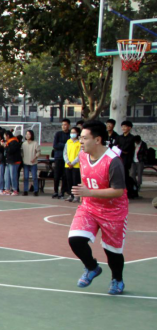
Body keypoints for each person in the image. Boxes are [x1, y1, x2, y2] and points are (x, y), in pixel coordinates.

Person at [68, 120, 128, 296]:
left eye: (84, 138)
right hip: (89, 206)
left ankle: (117, 279)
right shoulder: (83, 155)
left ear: (97, 140)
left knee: (112, 252)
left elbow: (118, 191)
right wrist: (84, 194)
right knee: (75, 239)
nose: (80, 141)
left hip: (113, 211)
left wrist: (89, 192)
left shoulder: (113, 161)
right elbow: (85, 177)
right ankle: (91, 267)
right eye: (80, 137)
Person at [117, 121, 138, 199]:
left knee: (125, 176)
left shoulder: (132, 138)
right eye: (122, 126)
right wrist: (120, 149)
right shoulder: (119, 137)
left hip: (126, 160)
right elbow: (115, 146)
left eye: (125, 126)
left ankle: (128, 192)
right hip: (119, 159)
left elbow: (127, 149)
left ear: (129, 128)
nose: (123, 128)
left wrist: (120, 149)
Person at [52, 119, 72, 200]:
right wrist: (66, 145)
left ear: (69, 125)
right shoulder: (58, 134)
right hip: (58, 157)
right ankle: (55, 191)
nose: (64, 126)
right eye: (63, 124)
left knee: (65, 176)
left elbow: (71, 146)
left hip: (67, 159)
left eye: (65, 124)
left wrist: (63, 145)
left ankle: (62, 191)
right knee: (56, 175)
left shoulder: (71, 134)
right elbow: (55, 145)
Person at [64, 127, 82, 203]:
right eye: (71, 132)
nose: (72, 134)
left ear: (77, 133)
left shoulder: (80, 143)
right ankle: (70, 195)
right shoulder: (68, 142)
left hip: (76, 165)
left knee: (75, 181)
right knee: (69, 180)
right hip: (67, 165)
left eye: (74, 132)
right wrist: (67, 161)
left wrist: (73, 163)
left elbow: (80, 154)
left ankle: (76, 196)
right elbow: (65, 153)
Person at [21, 130, 41, 197]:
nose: (27, 135)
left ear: (32, 135)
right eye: (26, 134)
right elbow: (22, 153)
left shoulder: (35, 143)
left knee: (34, 177)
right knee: (26, 177)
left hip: (33, 163)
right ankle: (25, 190)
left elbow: (38, 152)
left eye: (29, 134)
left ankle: (36, 190)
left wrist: (34, 158)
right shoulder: (24, 144)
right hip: (25, 163)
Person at [4, 131, 22, 196]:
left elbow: (10, 151)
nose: (4, 137)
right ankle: (7, 189)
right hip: (9, 161)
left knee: (13, 176)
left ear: (8, 136)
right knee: (7, 176)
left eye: (5, 136)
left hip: (14, 161)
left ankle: (15, 190)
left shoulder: (14, 142)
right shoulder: (9, 142)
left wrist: (5, 146)